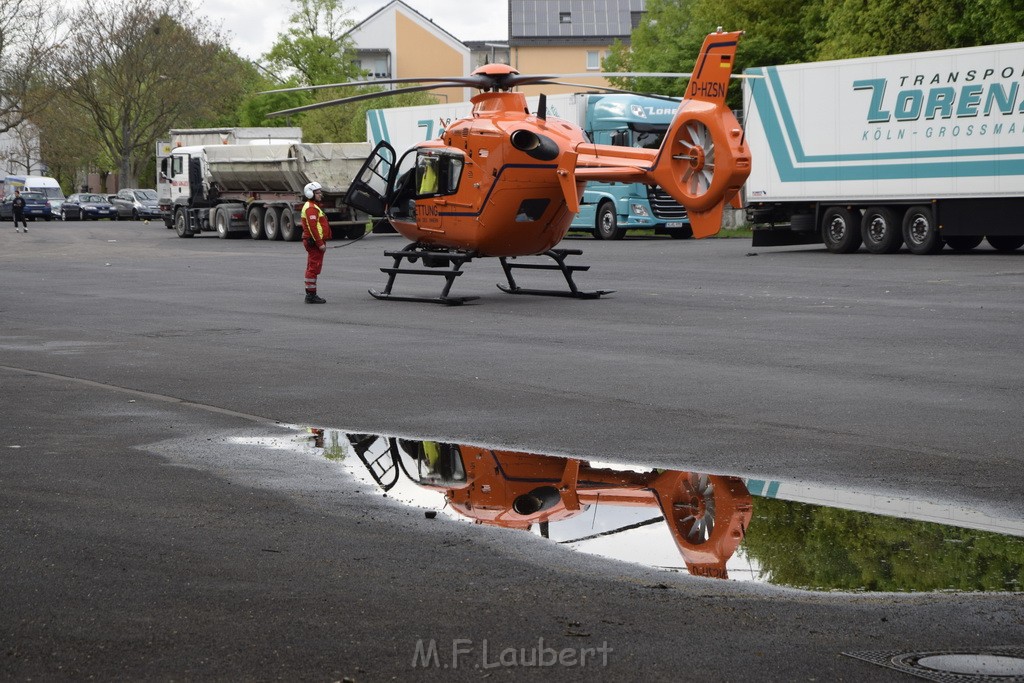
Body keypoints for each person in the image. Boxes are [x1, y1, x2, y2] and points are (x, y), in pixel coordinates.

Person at [301, 181, 332, 304]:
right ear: (310, 194)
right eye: (318, 193)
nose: (320, 195)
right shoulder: (311, 208)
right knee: (313, 267)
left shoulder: (313, 206)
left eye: (320, 192)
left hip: (314, 242)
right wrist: (320, 243)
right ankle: (311, 295)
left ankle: (310, 293)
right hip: (314, 243)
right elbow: (313, 227)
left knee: (312, 267)